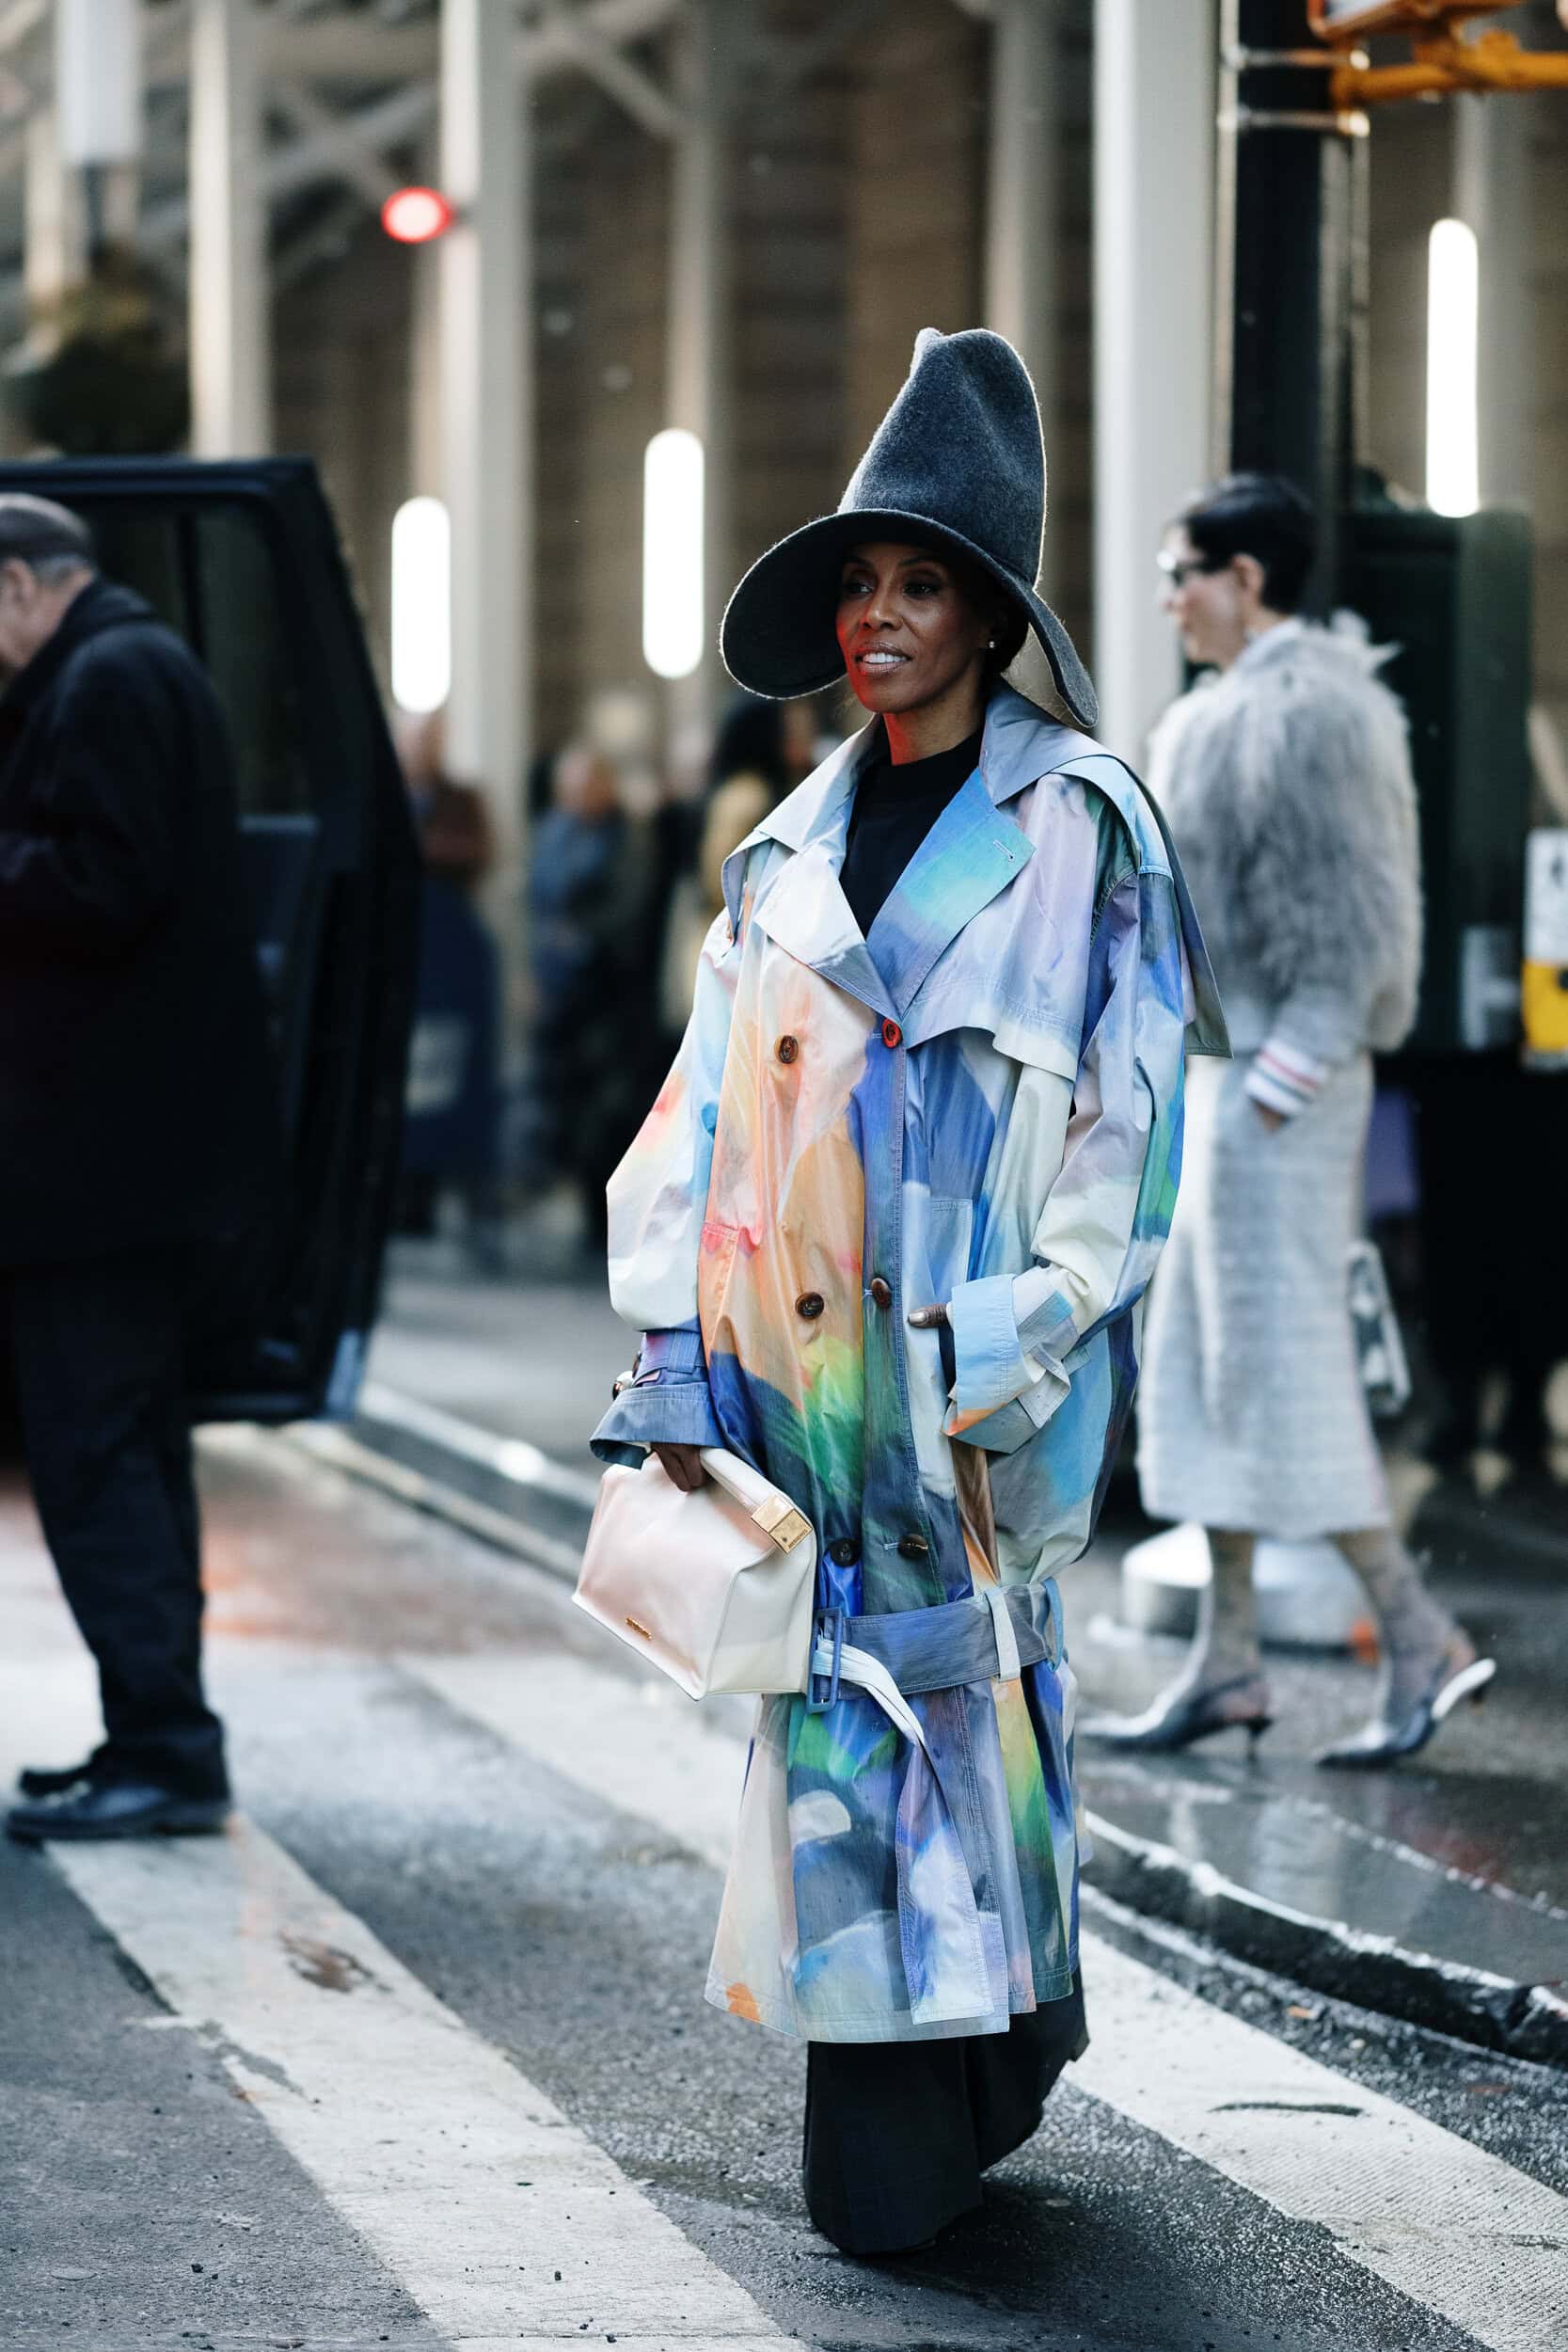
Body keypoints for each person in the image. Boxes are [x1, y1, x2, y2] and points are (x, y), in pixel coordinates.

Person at [591, 330, 1225, 2256]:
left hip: (970, 1397)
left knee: (969, 1713)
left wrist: (1012, 1340)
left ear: (989, 616)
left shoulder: (1085, 827)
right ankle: (933, 2106)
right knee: (849, 1749)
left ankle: (968, 2090)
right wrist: (670, 1353)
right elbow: (701, 1117)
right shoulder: (782, 851)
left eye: (918, 584)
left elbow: (1132, 1133)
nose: (876, 618)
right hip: (796, 1402)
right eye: (859, 583)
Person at [1097, 472, 1495, 1767]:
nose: (1170, 598)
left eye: (1184, 573)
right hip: (1235, 1081)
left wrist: (1280, 1079)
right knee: (1203, 1365)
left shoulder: (1314, 713)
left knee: (1285, 1369)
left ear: (1247, 579)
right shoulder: (1220, 714)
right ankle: (1229, 1661)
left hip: (1284, 1086)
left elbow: (1358, 922)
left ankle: (1419, 1635)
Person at [0, 494, 280, 1843]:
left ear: (17, 585)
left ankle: (164, 1749)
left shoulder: (110, 676)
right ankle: (157, 1736)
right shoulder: (127, 664)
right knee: (127, 1455)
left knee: (99, 1459)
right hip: (126, 1169)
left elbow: (100, 886)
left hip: (96, 1177)